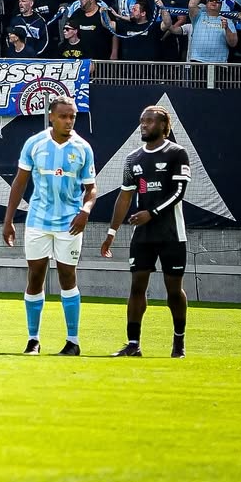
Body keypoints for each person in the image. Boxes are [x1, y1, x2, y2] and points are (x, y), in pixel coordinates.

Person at [2, 95, 97, 356]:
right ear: (51, 116)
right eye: (64, 116)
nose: (69, 121)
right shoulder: (34, 144)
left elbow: (91, 189)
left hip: (69, 223)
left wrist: (85, 211)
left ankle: (73, 341)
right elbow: (20, 182)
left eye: (73, 116)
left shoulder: (83, 148)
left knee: (68, 277)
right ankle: (33, 340)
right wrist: (8, 220)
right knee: (35, 277)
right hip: (37, 221)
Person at [100, 105, 191, 359]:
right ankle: (133, 344)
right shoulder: (133, 159)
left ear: (164, 126)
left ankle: (179, 342)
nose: (144, 125)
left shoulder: (177, 153)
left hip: (172, 233)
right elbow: (125, 196)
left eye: (150, 121)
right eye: (142, 121)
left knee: (173, 289)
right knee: (137, 286)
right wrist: (111, 231)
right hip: (143, 236)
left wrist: (152, 213)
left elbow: (179, 193)